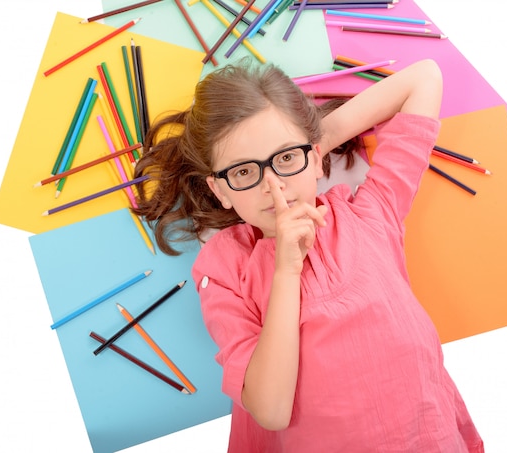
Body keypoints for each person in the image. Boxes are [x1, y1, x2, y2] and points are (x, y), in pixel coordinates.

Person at [133, 58, 484, 452]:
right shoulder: (225, 268)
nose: (273, 186)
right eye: (244, 172)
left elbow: (424, 77)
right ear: (221, 191)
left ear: (317, 158)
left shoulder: (371, 212)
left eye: (286, 159)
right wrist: (286, 268)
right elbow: (271, 410)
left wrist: (310, 147)